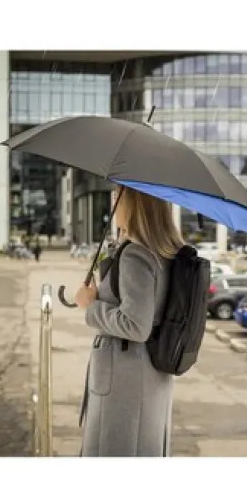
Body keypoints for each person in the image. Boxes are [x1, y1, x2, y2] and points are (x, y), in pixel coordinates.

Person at [74, 186, 184, 457]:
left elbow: (136, 324)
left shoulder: (136, 255)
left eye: (118, 195)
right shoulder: (164, 252)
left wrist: (90, 305)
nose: (114, 201)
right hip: (148, 374)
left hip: (125, 380)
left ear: (136, 204)